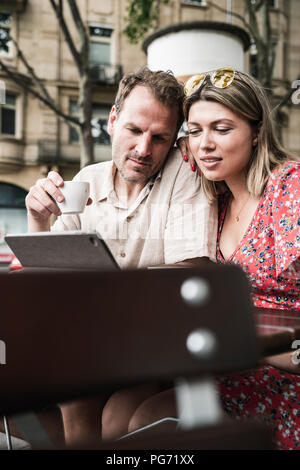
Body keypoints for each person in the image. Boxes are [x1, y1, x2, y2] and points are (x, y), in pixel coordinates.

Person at [108, 68, 300, 449]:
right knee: (118, 409)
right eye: (195, 131)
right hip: (222, 364)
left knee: (147, 419)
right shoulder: (216, 199)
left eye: (222, 129)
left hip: (283, 372)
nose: (205, 144)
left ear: (257, 131)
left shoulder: (288, 186)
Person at [25, 67, 217, 445]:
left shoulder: (184, 175)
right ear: (112, 121)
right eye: (134, 130)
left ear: (174, 138)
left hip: (160, 347)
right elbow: (44, 277)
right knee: (66, 394)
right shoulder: (88, 179)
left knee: (107, 415)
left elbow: (188, 276)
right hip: (94, 349)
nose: (144, 149)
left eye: (160, 137)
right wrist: (37, 219)